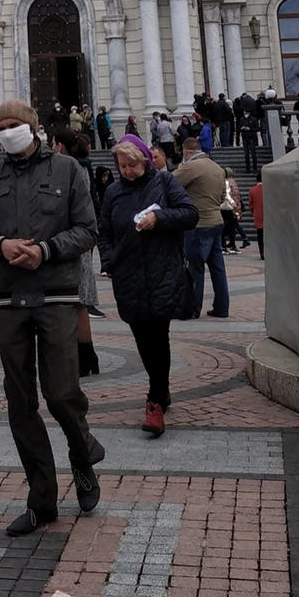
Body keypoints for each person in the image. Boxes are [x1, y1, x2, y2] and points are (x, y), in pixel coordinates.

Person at [0, 100, 104, 536]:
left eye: (15, 125)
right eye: (1, 126)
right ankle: (41, 500)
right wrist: (0, 246)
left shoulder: (67, 171)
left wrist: (45, 250)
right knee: (20, 402)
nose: (8, 131)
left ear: (35, 128)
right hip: (8, 298)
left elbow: (87, 229)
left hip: (57, 294)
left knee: (62, 392)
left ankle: (83, 455)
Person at [98, 135, 198, 437]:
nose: (127, 170)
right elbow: (103, 232)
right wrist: (109, 261)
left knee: (158, 335)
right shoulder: (113, 192)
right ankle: (162, 389)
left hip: (162, 271)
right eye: (122, 165)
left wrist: (159, 217)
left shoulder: (166, 183)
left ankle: (154, 402)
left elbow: (190, 214)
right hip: (128, 275)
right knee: (143, 338)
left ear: (145, 160)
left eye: (132, 165)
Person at [50, 130, 101, 377]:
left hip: (71, 242)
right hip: (80, 240)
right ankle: (87, 355)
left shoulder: (70, 170)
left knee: (72, 302)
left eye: (53, 142)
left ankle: (81, 356)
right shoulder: (84, 168)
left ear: (60, 146)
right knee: (80, 303)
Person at [175, 138, 230, 319]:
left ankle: (192, 308)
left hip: (198, 223)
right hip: (216, 220)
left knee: (194, 268)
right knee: (217, 268)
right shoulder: (217, 168)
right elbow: (223, 196)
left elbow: (170, 184)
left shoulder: (191, 167)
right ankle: (222, 307)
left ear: (186, 152)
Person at [220, 172, 247, 251]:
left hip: (224, 206)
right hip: (230, 207)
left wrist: (232, 203)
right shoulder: (232, 182)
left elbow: (226, 195)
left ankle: (224, 245)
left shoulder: (224, 182)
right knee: (232, 225)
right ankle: (233, 245)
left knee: (223, 226)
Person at [240, 107, 260, 174]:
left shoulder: (253, 119)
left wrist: (250, 129)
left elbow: (257, 128)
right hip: (245, 137)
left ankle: (255, 168)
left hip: (251, 137)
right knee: (246, 154)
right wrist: (242, 128)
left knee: (253, 153)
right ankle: (247, 168)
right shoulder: (242, 119)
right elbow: (238, 128)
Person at [249, 178, 265, 259]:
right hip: (269, 217)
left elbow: (251, 205)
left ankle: (262, 252)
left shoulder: (253, 190)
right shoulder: (269, 189)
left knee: (260, 236)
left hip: (258, 216)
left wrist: (253, 212)